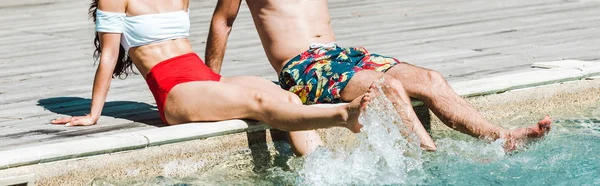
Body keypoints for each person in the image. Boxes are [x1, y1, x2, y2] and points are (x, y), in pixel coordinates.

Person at [205, 0, 552, 151]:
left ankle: (502, 137)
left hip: (342, 53)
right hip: (302, 66)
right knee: (387, 85)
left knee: (430, 79)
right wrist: (207, 82)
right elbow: (223, 20)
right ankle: (429, 160)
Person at [50, 0, 371, 156]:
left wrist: (212, 78)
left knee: (286, 97)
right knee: (258, 101)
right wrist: (94, 114)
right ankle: (344, 114)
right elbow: (109, 54)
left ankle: (322, 172)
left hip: (201, 76)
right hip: (173, 89)